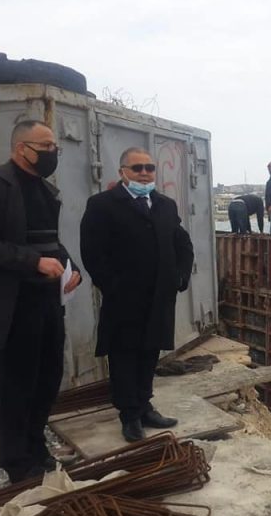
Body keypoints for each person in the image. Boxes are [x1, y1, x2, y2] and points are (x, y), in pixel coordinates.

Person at [0, 119, 82, 483]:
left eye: (55, 147)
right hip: (14, 305)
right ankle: (16, 463)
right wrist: (33, 262)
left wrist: (71, 267)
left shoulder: (45, 190)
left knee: (48, 378)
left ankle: (35, 446)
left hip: (49, 302)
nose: (53, 153)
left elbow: (50, 242)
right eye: (46, 147)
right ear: (21, 149)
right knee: (18, 385)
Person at [80, 147, 194, 443]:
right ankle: (129, 414)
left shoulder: (165, 205)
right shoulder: (102, 205)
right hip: (124, 299)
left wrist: (180, 277)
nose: (144, 173)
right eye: (137, 168)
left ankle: (145, 406)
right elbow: (92, 253)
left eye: (149, 168)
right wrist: (112, 286)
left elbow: (182, 243)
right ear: (123, 172)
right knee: (124, 355)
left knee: (149, 353)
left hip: (159, 298)